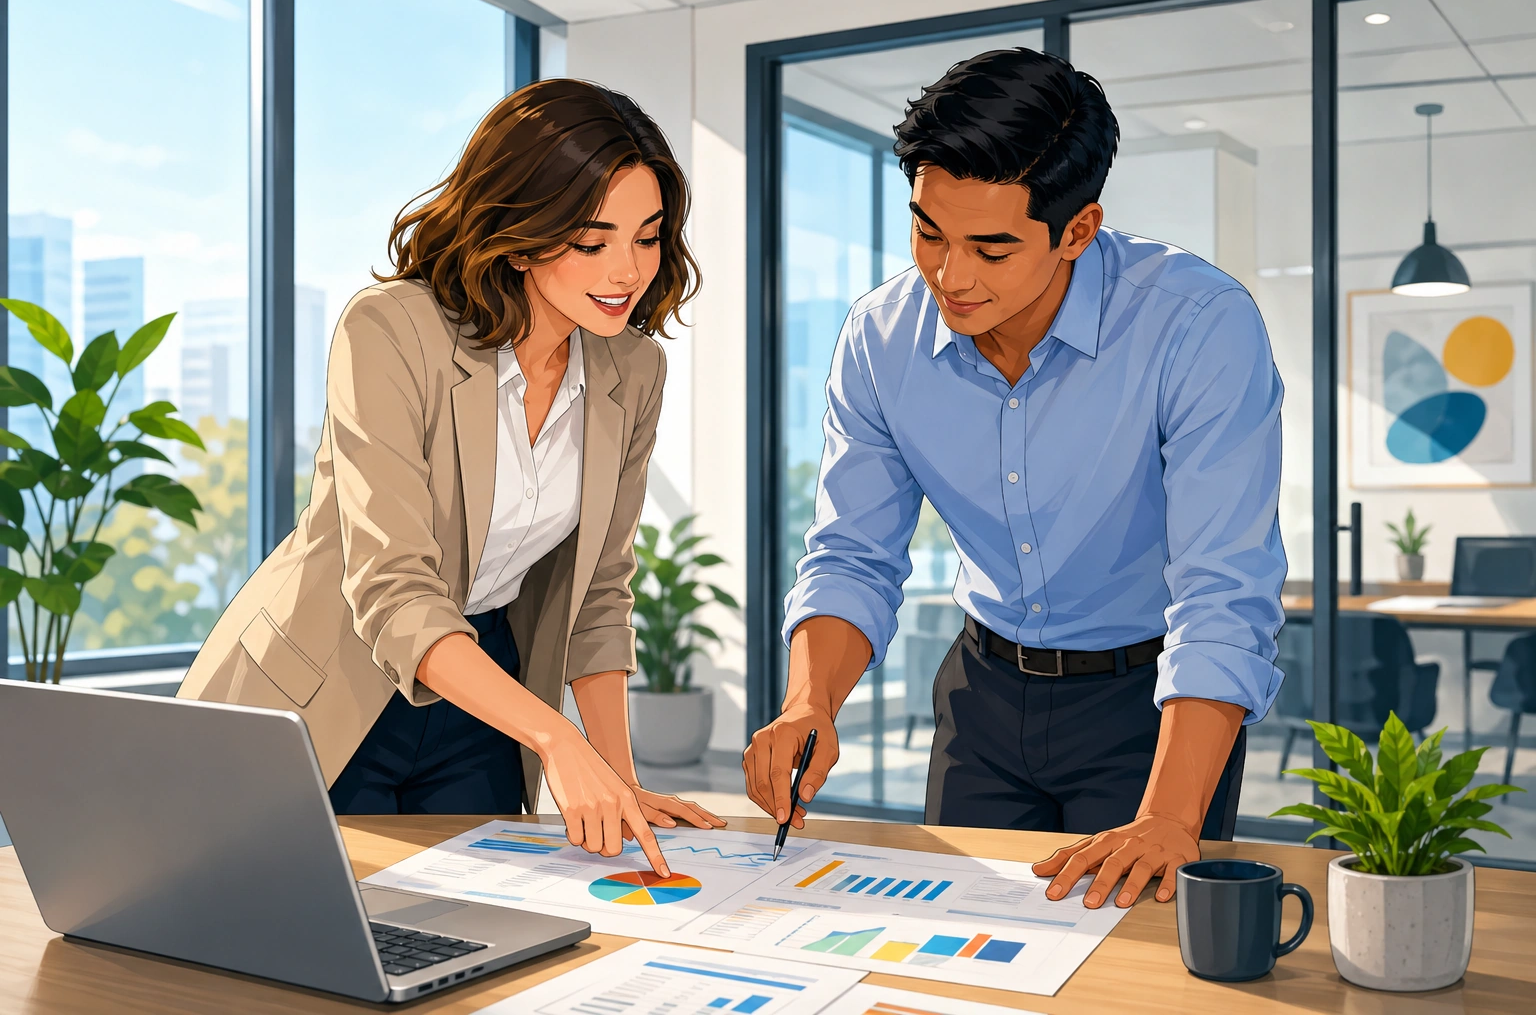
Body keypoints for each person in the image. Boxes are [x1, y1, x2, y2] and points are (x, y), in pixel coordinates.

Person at [743, 48, 1285, 910]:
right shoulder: (880, 339)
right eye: (928, 231)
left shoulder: (1198, 326)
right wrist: (809, 702)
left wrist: (1172, 817)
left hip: (1148, 707)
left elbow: (1223, 591)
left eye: (991, 248)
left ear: (1078, 229)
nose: (949, 277)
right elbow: (853, 554)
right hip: (983, 695)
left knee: (1131, 966)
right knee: (945, 942)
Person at [178, 79, 724, 876]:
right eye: (591, 238)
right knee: (315, 946)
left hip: (486, 687)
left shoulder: (633, 369)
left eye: (647, 237)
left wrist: (617, 774)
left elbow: (600, 589)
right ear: (521, 226)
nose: (626, 271)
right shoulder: (392, 331)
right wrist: (555, 736)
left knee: (489, 935)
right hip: (337, 677)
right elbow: (395, 588)